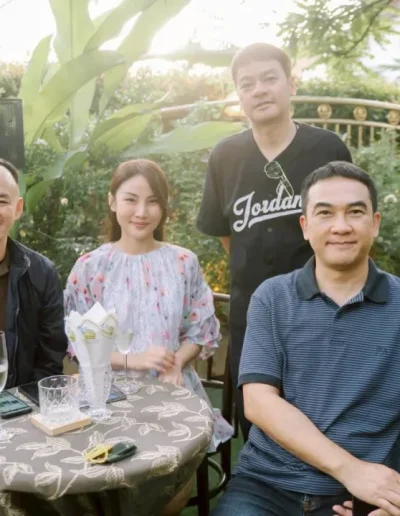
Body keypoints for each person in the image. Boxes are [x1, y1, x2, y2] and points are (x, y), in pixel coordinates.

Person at [212, 161, 400, 516]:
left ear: (375, 223)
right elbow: (259, 402)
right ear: (305, 226)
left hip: (364, 494)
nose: (340, 226)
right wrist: (351, 470)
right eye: (325, 213)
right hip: (267, 485)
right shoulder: (272, 297)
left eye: (355, 212)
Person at [197, 43, 353, 440]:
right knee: (258, 428)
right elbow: (227, 233)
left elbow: (346, 223)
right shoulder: (225, 156)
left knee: (328, 425)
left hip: (321, 315)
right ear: (238, 94)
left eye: (269, 78)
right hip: (253, 317)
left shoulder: (327, 149)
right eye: (247, 83)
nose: (259, 90)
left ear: (291, 85)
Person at [64, 158, 233, 515]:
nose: (142, 212)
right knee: (98, 486)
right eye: (131, 199)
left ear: (164, 208)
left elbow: (201, 331)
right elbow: (79, 344)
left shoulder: (183, 262)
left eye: (153, 201)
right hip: (106, 393)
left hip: (172, 391)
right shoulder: (90, 267)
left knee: (173, 484)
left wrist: (177, 362)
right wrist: (133, 360)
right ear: (112, 202)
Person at [0, 158, 67, 387]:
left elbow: (50, 362)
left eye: (1, 201)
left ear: (17, 208)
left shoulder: (42, 274)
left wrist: (19, 403)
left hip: (20, 403)